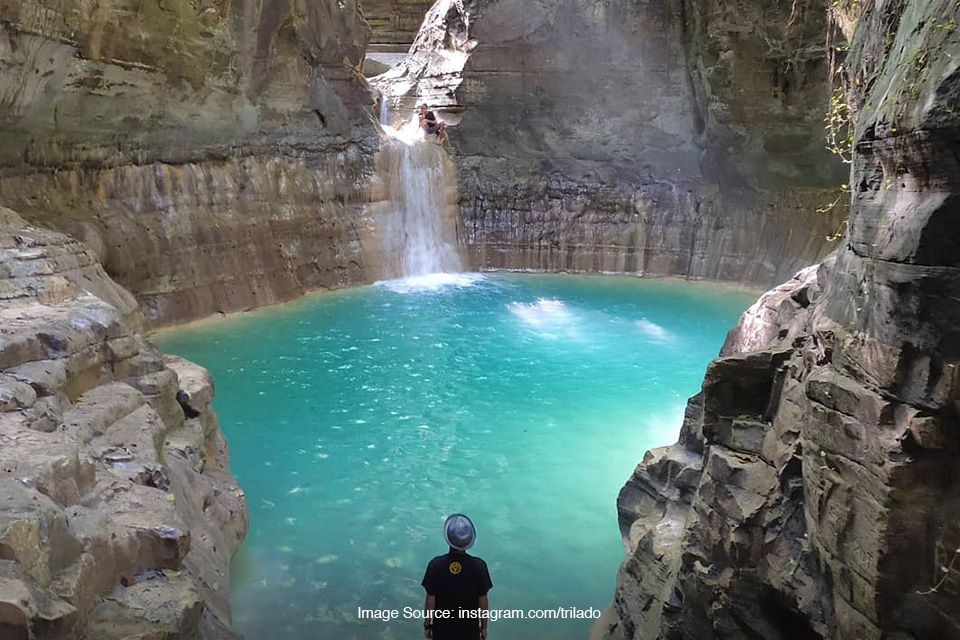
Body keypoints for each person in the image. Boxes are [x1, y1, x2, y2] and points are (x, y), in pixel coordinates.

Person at [421, 514, 493, 639]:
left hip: (442, 631)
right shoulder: (479, 566)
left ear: (448, 538)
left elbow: (430, 601)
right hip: (469, 631)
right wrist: (484, 627)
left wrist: (427, 625)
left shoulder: (436, 565)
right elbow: (483, 602)